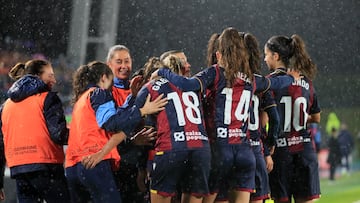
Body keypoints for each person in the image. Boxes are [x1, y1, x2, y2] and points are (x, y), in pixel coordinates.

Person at [65, 61, 167, 203]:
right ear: (103, 77)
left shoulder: (82, 100)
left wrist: (132, 97)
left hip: (73, 166)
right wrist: (143, 110)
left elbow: (118, 117)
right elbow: (112, 123)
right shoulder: (99, 93)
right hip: (94, 163)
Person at [136, 55, 211, 203]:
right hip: (200, 150)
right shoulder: (193, 87)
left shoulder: (151, 87)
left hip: (170, 150)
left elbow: (131, 118)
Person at [0, 59, 70, 202]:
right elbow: (58, 134)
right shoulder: (48, 98)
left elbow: (0, 147)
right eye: (50, 75)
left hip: (18, 169)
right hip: (46, 166)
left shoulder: (6, 106)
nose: (54, 80)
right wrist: (81, 136)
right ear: (38, 76)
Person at [265, 34, 321, 203]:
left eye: (266, 54)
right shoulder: (306, 82)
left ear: (276, 56)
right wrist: (299, 119)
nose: (265, 59)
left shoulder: (270, 83)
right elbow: (316, 118)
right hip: (304, 150)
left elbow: (265, 119)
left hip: (281, 153)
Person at [106, 44, 155, 202]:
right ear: (109, 65)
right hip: (114, 166)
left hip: (137, 165)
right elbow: (105, 133)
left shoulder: (139, 89)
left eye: (127, 61)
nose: (124, 66)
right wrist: (131, 142)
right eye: (119, 62)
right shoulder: (104, 94)